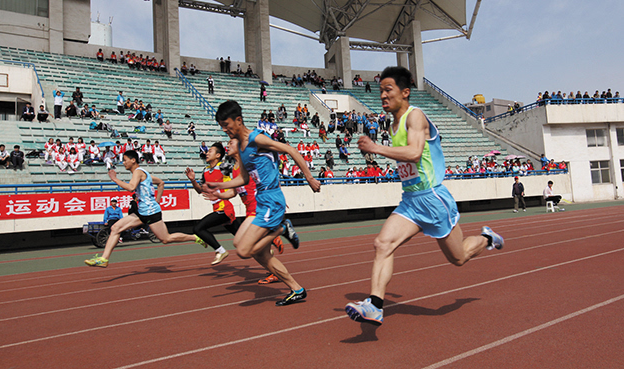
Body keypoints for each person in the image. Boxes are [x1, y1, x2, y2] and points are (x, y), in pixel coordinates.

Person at [345, 67, 504, 325]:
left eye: (388, 90)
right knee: (382, 244)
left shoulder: (415, 116)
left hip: (433, 199)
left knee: (459, 258)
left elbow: (415, 153)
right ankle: (375, 305)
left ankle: (487, 238)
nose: (383, 96)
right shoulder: (394, 123)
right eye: (380, 91)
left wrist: (376, 147)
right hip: (410, 201)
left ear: (405, 92)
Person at [207, 100, 321, 306]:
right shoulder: (241, 149)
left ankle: (281, 229)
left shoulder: (256, 138)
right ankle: (297, 289)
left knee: (244, 251)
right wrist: (216, 185)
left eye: (226, 124)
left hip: (272, 199)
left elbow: (290, 150)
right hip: (261, 201)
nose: (224, 130)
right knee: (250, 249)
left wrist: (309, 178)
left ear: (238, 120)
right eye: (221, 126)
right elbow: (243, 179)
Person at [85, 150, 201, 267]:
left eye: (125, 160)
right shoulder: (144, 173)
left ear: (133, 160)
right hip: (142, 212)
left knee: (166, 239)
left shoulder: (138, 172)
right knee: (115, 228)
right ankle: (104, 259)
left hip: (151, 213)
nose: (123, 163)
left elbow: (131, 188)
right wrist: (157, 201)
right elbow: (161, 183)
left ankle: (195, 237)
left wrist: (114, 179)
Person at [206, 139, 286, 284]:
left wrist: (276, 197)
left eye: (231, 143)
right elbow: (233, 193)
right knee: (253, 249)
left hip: (258, 208)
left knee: (244, 245)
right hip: (249, 210)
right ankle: (274, 270)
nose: (227, 145)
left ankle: (277, 232)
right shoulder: (236, 168)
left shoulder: (248, 163)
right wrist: (219, 195)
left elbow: (268, 178)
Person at [184, 142, 239, 265]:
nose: (207, 153)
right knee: (242, 239)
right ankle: (263, 250)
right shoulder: (205, 171)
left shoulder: (223, 166)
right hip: (217, 209)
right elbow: (200, 191)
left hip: (225, 209)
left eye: (210, 151)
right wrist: (193, 180)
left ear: (218, 155)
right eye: (207, 151)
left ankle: (220, 251)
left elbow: (239, 171)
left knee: (198, 228)